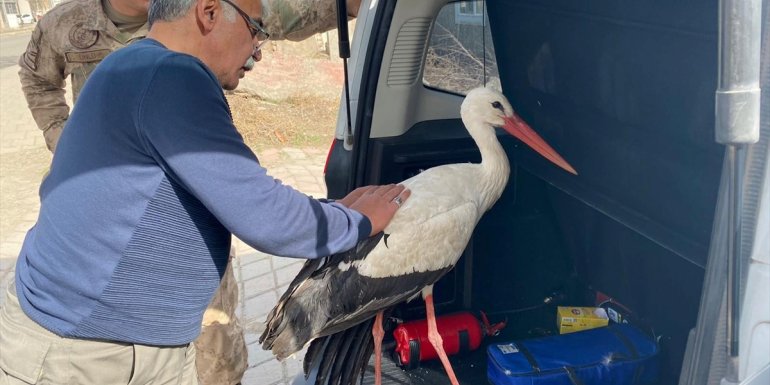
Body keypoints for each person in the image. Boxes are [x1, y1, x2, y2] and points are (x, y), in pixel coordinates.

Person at [0, 0, 408, 383]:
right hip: (85, 355)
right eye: (255, 30)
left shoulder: (130, 62)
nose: (258, 52)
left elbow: (231, 194)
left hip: (102, 338)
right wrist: (359, 220)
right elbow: (267, 218)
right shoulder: (170, 75)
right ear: (210, 12)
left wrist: (331, 212)